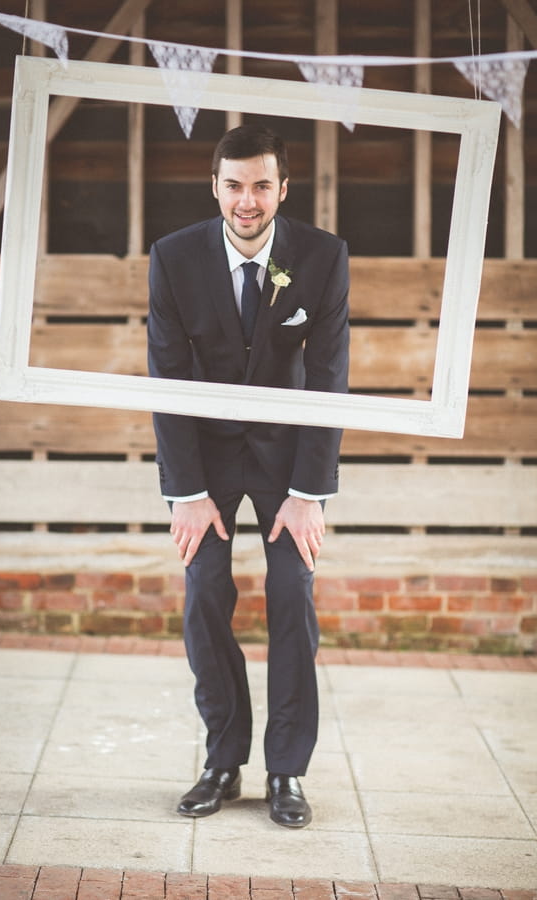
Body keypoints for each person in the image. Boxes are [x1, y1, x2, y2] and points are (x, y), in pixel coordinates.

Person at [147, 124, 350, 828]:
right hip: (204, 463)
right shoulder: (173, 259)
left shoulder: (323, 257)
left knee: (291, 595)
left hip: (288, 464)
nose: (247, 200)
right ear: (215, 187)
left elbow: (329, 377)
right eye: (234, 185)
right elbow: (166, 378)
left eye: (262, 185)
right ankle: (222, 760)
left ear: (283, 189)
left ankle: (286, 771)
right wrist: (186, 492)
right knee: (205, 593)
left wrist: (309, 493)